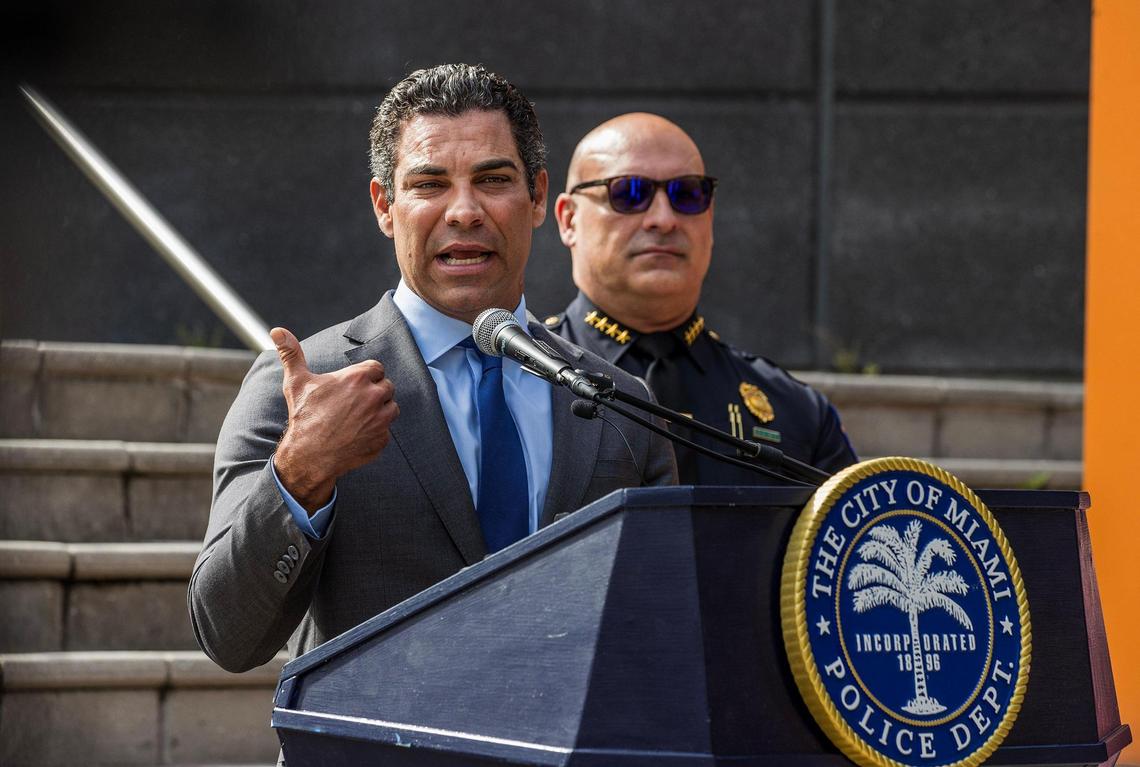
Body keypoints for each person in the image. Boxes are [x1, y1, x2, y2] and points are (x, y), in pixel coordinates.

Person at [189, 67, 677, 675]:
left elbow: (662, 636)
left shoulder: (618, 404)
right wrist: (302, 471)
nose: (465, 211)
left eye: (493, 180)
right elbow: (228, 635)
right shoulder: (304, 383)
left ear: (536, 199)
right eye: (430, 184)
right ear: (384, 207)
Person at [547, 113, 855, 486]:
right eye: (629, 193)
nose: (663, 219)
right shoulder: (522, 383)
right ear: (568, 220)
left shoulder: (798, 412)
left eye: (688, 194)